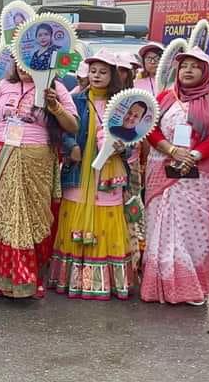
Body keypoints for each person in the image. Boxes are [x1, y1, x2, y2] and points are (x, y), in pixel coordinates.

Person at [142, 47, 209, 305]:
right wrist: (171, 150)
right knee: (161, 230)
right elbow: (148, 126)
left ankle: (192, 289)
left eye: (195, 66)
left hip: (200, 177)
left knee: (195, 236)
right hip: (162, 170)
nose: (188, 70)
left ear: (205, 71)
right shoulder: (165, 98)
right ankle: (158, 288)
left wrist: (194, 155)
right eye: (184, 66)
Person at [0, 63, 79, 299]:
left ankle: (30, 276)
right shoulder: (4, 85)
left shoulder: (55, 88)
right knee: (5, 215)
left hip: (38, 158)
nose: (24, 68)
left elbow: (73, 126)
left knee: (35, 217)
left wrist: (54, 106)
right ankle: (2, 276)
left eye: (31, 63)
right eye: (20, 62)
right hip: (2, 152)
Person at [50, 49, 133, 300]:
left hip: (108, 170)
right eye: (93, 71)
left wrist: (123, 147)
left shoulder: (121, 104)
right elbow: (62, 128)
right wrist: (70, 146)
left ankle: (102, 282)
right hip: (79, 169)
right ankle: (72, 280)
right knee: (74, 214)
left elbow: (132, 135)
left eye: (103, 72)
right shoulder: (76, 100)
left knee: (106, 216)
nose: (97, 76)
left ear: (114, 75)